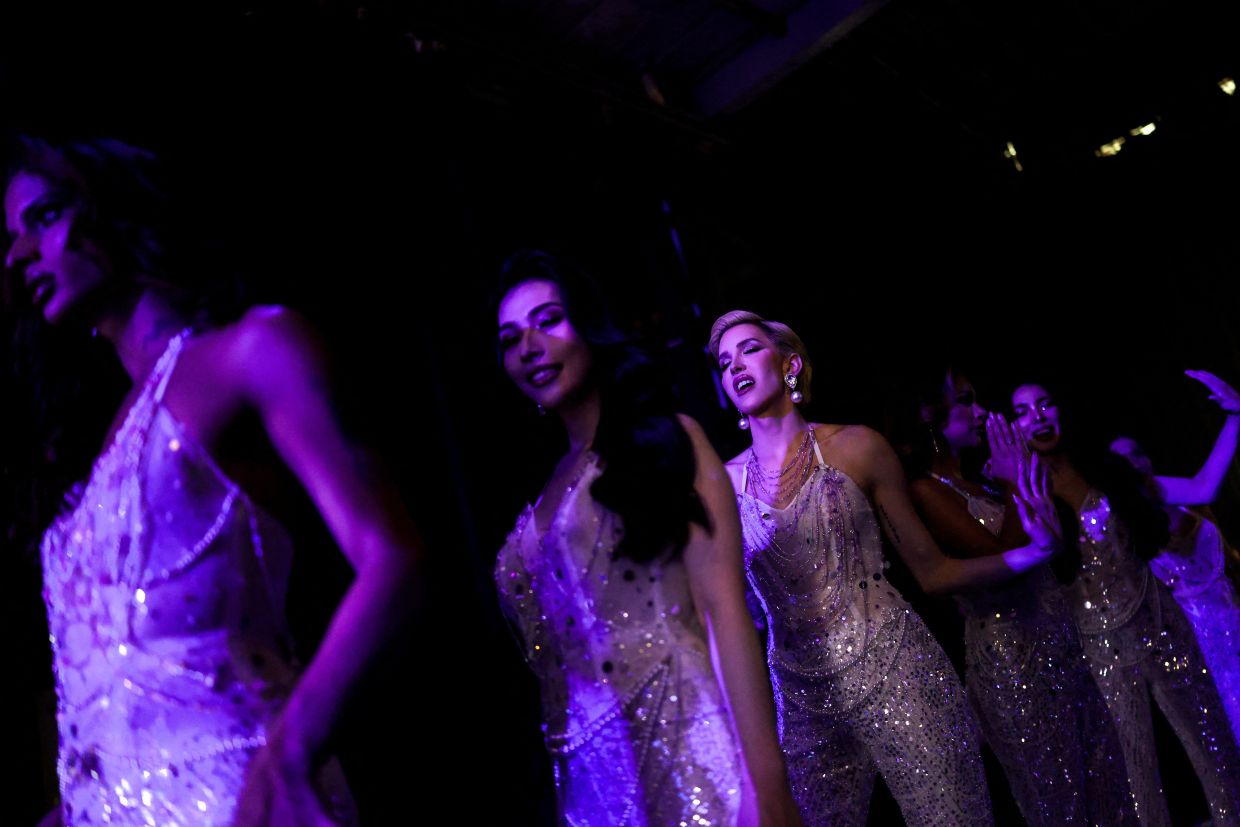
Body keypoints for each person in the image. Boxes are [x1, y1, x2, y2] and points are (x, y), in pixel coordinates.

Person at [4, 136, 421, 826]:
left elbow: (395, 560)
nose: (18, 256)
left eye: (43, 216)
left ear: (111, 206)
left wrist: (293, 746)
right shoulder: (96, 450)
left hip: (238, 800)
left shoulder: (250, 353)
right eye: (9, 237)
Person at [709, 310, 1061, 827]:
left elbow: (933, 572)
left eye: (749, 349)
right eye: (723, 361)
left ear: (790, 364)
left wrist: (1034, 552)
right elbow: (728, 612)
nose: (734, 365)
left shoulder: (857, 447)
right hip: (801, 698)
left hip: (897, 669)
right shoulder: (722, 484)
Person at [493, 252, 800, 826]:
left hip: (694, 759)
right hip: (591, 789)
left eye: (548, 320)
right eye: (511, 338)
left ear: (590, 325)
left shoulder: (665, 442)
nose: (529, 345)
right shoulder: (542, 490)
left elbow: (724, 613)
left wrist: (769, 786)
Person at [1011, 379, 1240, 827]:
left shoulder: (1107, 469)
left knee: (1214, 743)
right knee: (1138, 773)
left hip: (1159, 620)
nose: (1038, 416)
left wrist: (1235, 416)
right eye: (1023, 411)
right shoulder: (1021, 495)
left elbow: (1202, 487)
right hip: (1101, 647)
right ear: (1010, 428)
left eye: (1045, 404)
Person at [907, 370, 1131, 825]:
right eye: (966, 401)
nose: (982, 412)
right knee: (1059, 805)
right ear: (932, 414)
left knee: (1110, 789)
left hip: (1061, 647)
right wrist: (1013, 482)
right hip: (1013, 665)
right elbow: (999, 561)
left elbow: (1051, 547)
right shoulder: (926, 490)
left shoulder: (983, 481)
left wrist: (1014, 479)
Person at [1109, 369, 1240, 744]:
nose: (1135, 465)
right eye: (1123, 463)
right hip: (1203, 657)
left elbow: (1207, 485)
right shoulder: (1123, 525)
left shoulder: (1167, 490)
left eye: (1137, 455)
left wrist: (1235, 415)